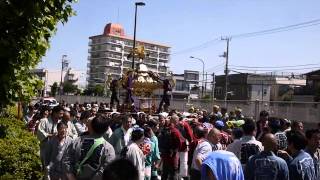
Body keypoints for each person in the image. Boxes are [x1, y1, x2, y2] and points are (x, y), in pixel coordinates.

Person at [62, 114, 115, 180]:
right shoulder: (108, 148)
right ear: (107, 129)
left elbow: (66, 160)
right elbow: (106, 170)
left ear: (91, 127)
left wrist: (72, 177)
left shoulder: (77, 141)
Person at [158, 115, 182, 180]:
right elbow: (180, 144)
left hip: (165, 155)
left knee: (164, 173)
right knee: (173, 173)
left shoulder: (164, 129)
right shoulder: (175, 131)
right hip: (173, 157)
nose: (178, 122)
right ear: (175, 121)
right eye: (177, 121)